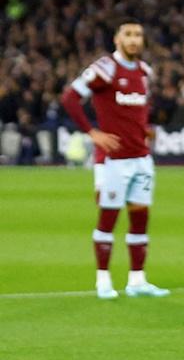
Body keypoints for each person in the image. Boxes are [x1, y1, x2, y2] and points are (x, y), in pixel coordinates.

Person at [61, 19, 171, 299]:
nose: (134, 40)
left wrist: (143, 130)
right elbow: (70, 98)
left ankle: (137, 280)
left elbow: (135, 110)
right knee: (108, 219)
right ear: (117, 40)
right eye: (128, 35)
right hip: (113, 161)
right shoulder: (105, 68)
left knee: (140, 221)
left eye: (138, 35)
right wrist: (92, 133)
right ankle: (103, 281)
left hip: (142, 159)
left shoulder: (145, 71)